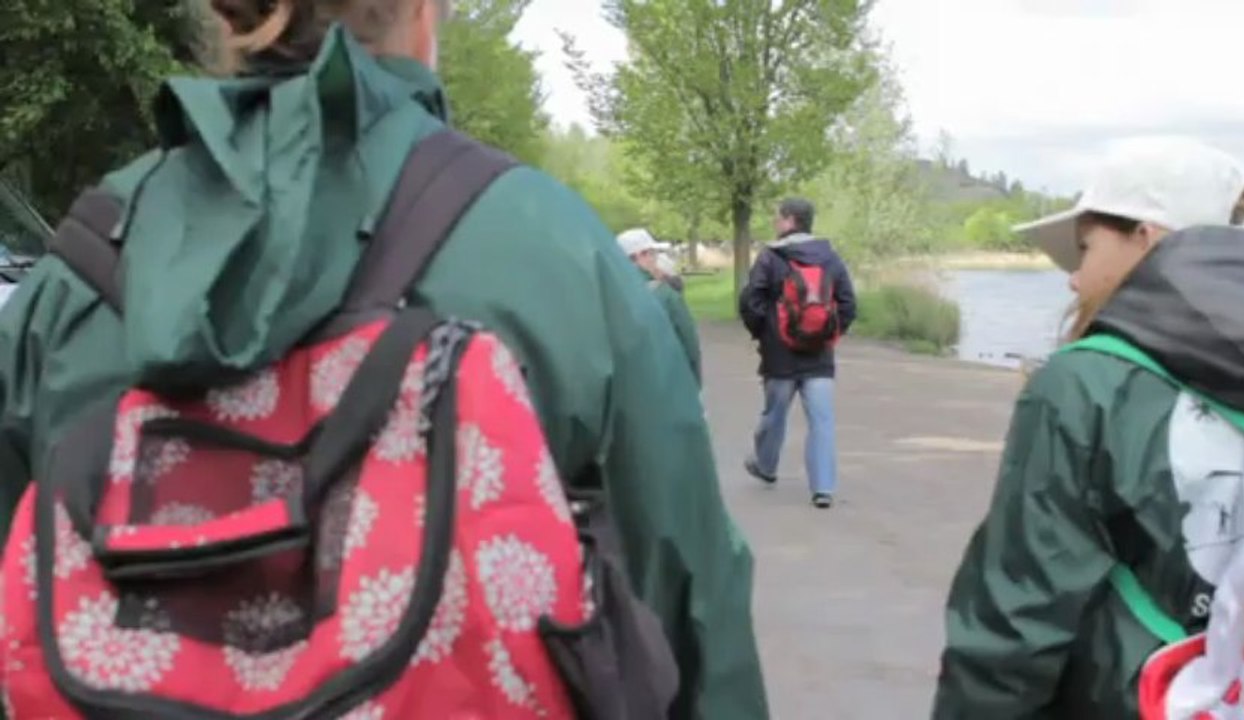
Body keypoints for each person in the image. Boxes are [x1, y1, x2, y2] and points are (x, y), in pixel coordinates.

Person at [0, 1, 767, 717]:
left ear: (218, 16)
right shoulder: (553, 251)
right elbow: (693, 611)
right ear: (423, 14)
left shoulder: (76, 275)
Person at [931, 136, 1244, 718]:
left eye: (1085, 248)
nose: (1074, 280)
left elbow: (1017, 620)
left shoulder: (1086, 382)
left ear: (1146, 237)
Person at [738, 197, 855, 509]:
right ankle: (823, 488)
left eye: (778, 217)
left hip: (780, 356)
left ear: (790, 220)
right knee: (822, 421)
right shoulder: (830, 258)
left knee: (774, 415)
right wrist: (829, 334)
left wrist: (766, 334)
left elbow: (751, 301)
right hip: (819, 356)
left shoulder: (771, 257)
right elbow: (848, 304)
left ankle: (766, 466)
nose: (775, 222)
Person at [618, 228, 702, 384]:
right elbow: (688, 341)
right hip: (665, 381)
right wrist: (694, 381)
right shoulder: (665, 295)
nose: (655, 259)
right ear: (640, 255)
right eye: (652, 253)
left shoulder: (610, 294)